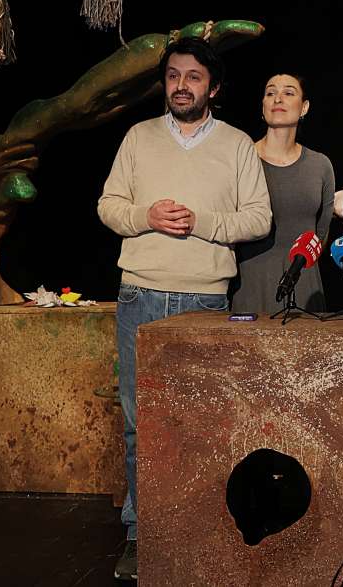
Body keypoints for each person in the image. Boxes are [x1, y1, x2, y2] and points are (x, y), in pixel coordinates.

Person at [97, 37, 272, 581]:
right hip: (141, 294)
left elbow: (258, 218)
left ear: (212, 87)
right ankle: (140, 534)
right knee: (139, 424)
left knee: (203, 421)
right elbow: (108, 205)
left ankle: (200, 530)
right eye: (173, 76)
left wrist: (203, 223)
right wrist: (146, 215)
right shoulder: (138, 137)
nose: (181, 86)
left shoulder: (237, 144)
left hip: (205, 298)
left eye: (193, 77)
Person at [232, 73, 335, 313]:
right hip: (251, 287)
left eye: (288, 93)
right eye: (271, 93)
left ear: (304, 107)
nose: (278, 99)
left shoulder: (320, 165)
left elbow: (321, 234)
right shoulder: (241, 160)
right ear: (263, 107)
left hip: (305, 288)